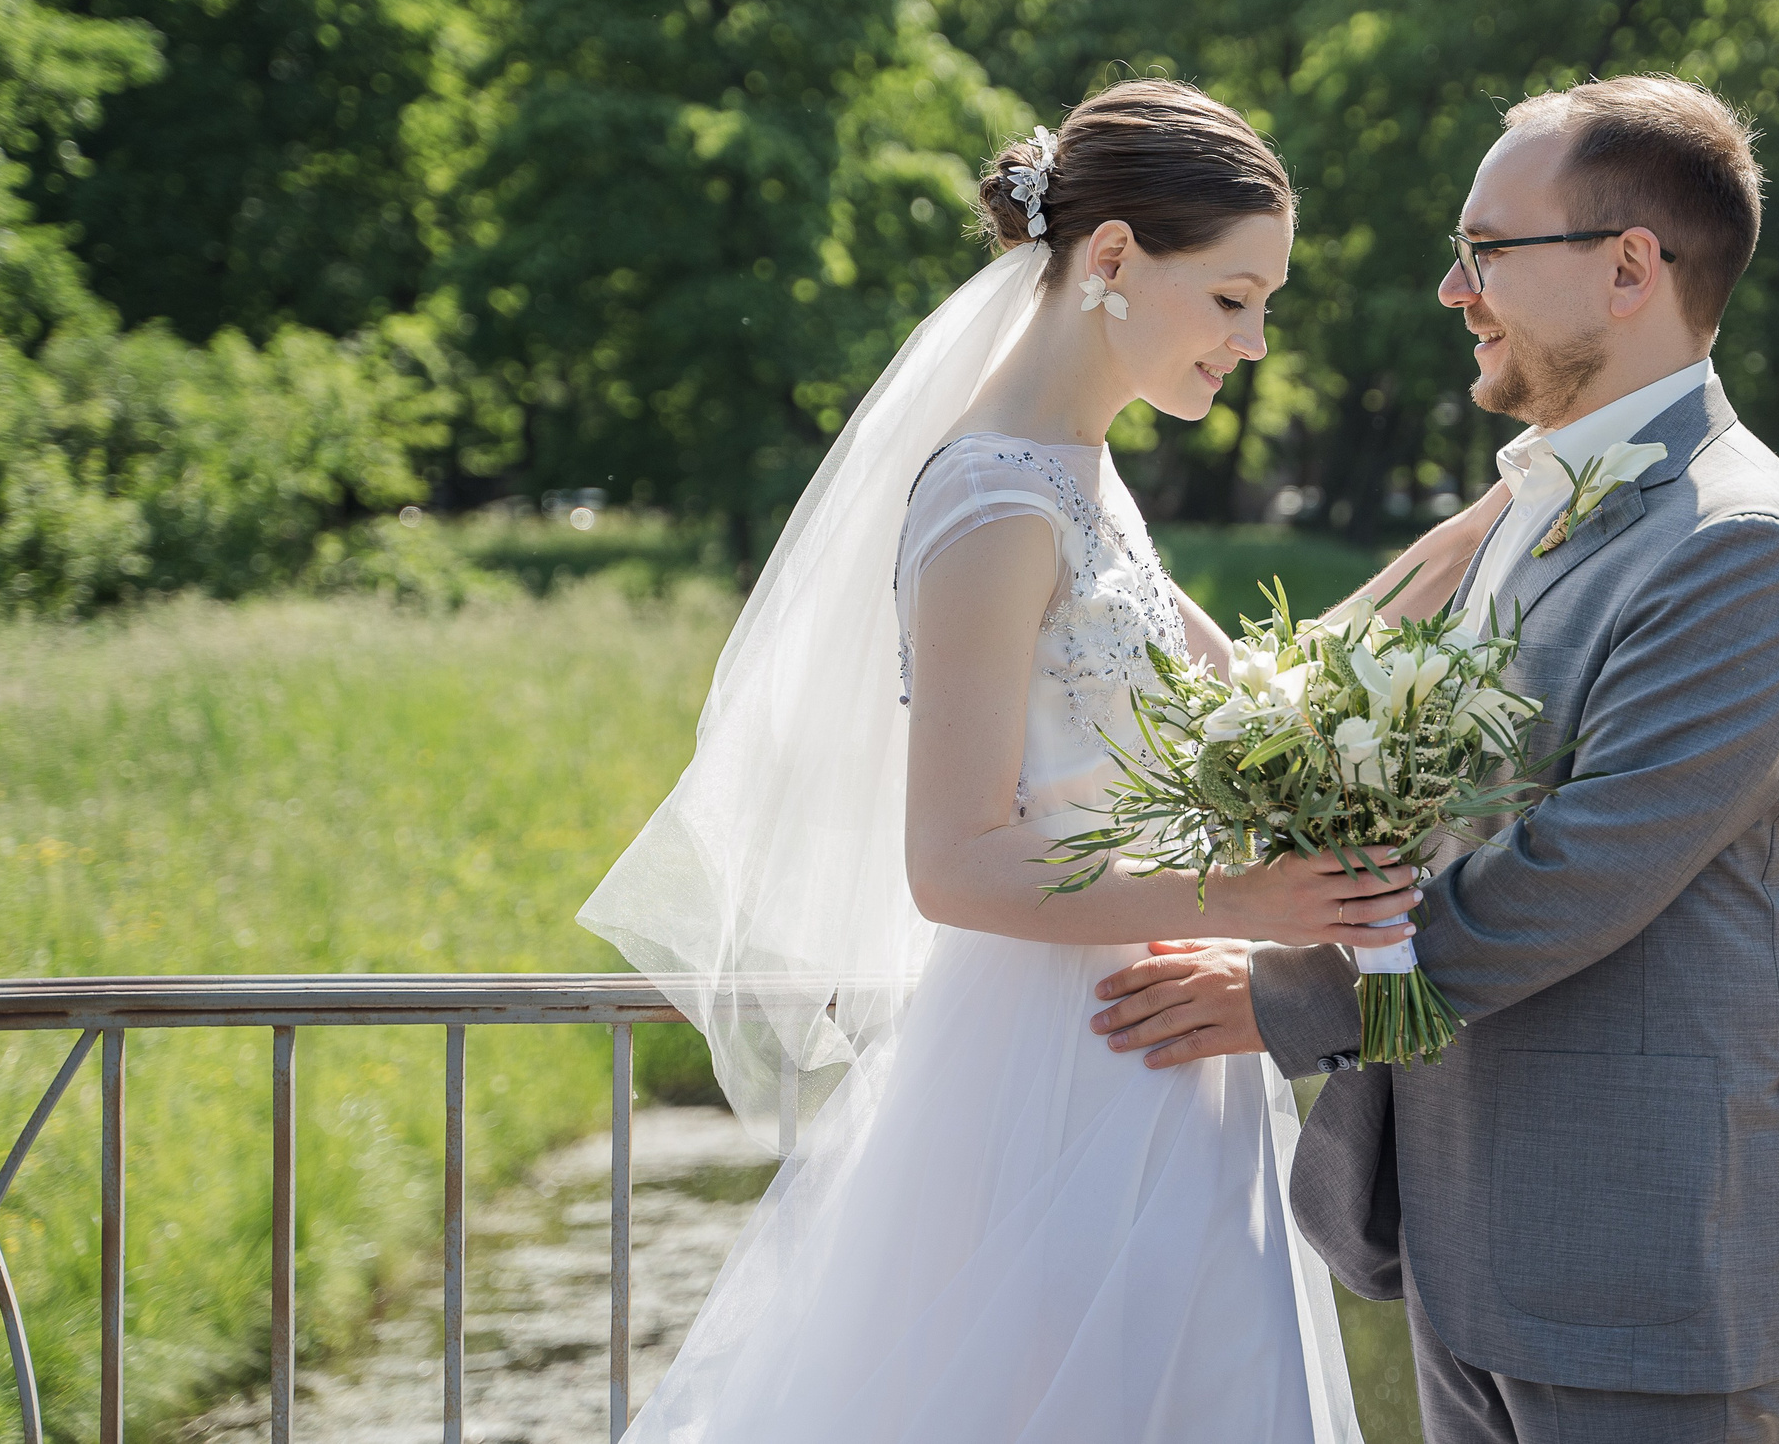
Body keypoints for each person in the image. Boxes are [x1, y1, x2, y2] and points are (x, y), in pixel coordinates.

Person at [577, 80, 1505, 1442]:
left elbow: (1273, 689)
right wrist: (1246, 909)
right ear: (1116, 260)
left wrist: (1507, 508)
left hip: (1155, 1048)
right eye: (1235, 298)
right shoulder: (995, 501)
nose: (1253, 343)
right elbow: (954, 861)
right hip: (1048, 1073)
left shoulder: (1080, 476)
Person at [1089, 75, 1779, 1443]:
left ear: (1630, 268)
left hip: (1639, 1263)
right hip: (1473, 1245)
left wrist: (1284, 992)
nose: (1456, 290)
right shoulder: (1530, 499)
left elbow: (1576, 874)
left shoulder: (1737, 541)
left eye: (1487, 252)